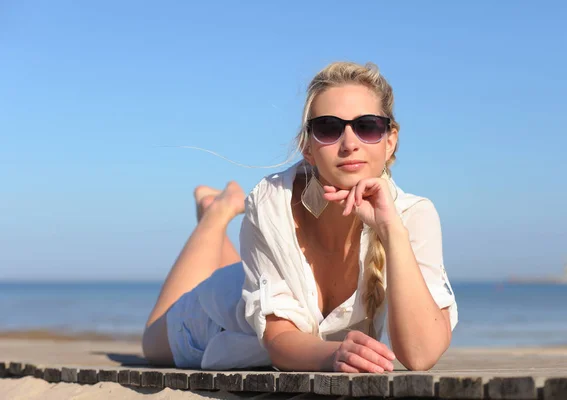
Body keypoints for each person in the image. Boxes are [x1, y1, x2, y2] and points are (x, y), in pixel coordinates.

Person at [142, 61, 458, 373]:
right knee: (153, 346)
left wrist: (391, 230)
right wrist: (332, 356)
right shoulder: (271, 204)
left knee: (246, 273)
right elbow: (279, 337)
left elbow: (419, 356)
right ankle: (217, 213)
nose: (349, 144)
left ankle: (217, 216)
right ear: (308, 147)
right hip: (223, 320)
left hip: (264, 285)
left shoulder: (414, 216)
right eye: (329, 128)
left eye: (367, 127)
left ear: (390, 141)